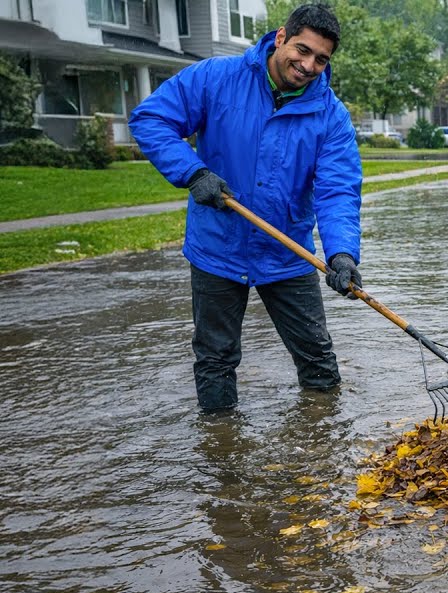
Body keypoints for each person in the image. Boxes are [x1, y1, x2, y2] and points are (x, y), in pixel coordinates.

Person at [129, 3, 363, 412]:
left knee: (319, 361)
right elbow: (150, 119)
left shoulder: (331, 116)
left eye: (321, 59)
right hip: (217, 246)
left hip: (287, 252)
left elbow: (338, 189)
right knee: (215, 359)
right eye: (302, 50)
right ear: (280, 38)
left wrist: (341, 253)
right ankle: (223, 454)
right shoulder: (216, 78)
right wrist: (193, 172)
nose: (309, 65)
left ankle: (322, 447)